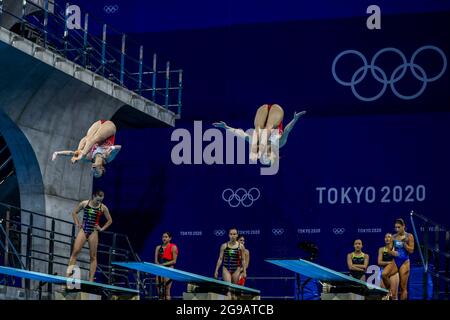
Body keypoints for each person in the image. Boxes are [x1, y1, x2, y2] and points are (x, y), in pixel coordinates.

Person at [213, 104, 306, 164]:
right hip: (275, 118)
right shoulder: (280, 143)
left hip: (264, 116)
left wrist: (226, 127)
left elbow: (242, 134)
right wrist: (295, 119)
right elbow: (287, 130)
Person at [67, 190, 112, 282]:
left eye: (101, 200)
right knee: (75, 252)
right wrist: (77, 223)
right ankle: (68, 276)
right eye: (98, 200)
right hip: (84, 230)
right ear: (93, 196)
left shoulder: (103, 207)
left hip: (93, 232)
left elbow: (110, 220)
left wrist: (102, 228)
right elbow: (74, 212)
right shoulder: (84, 203)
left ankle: (91, 280)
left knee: (93, 256)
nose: (99, 202)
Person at [52, 120, 121, 178]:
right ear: (102, 168)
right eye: (97, 173)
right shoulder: (108, 158)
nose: (94, 172)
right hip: (109, 127)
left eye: (93, 174)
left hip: (98, 125)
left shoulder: (89, 158)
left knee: (87, 141)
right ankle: (82, 153)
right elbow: (119, 147)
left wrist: (57, 153)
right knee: (95, 139)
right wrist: (111, 147)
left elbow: (71, 153)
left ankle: (82, 152)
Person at [381, 218, 414, 300]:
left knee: (403, 287)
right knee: (384, 274)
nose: (397, 229)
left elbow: (411, 250)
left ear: (404, 226)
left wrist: (404, 244)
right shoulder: (394, 236)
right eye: (396, 227)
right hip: (395, 261)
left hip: (405, 262)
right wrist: (392, 252)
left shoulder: (409, 236)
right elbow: (388, 250)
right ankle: (389, 290)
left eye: (399, 227)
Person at [154, 232, 178, 300]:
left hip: (169, 269)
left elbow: (174, 261)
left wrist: (163, 265)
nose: (164, 238)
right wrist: (160, 266)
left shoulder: (173, 247)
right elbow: (156, 261)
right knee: (159, 293)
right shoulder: (158, 247)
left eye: (166, 237)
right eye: (163, 237)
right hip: (159, 270)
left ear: (170, 238)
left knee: (167, 292)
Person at [378, 233, 399, 300]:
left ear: (392, 239)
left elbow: (398, 261)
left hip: (393, 273)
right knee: (384, 295)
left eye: (389, 237)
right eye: (386, 237)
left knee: (394, 295)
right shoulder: (381, 249)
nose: (387, 238)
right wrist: (389, 263)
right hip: (383, 272)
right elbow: (379, 262)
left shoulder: (396, 249)